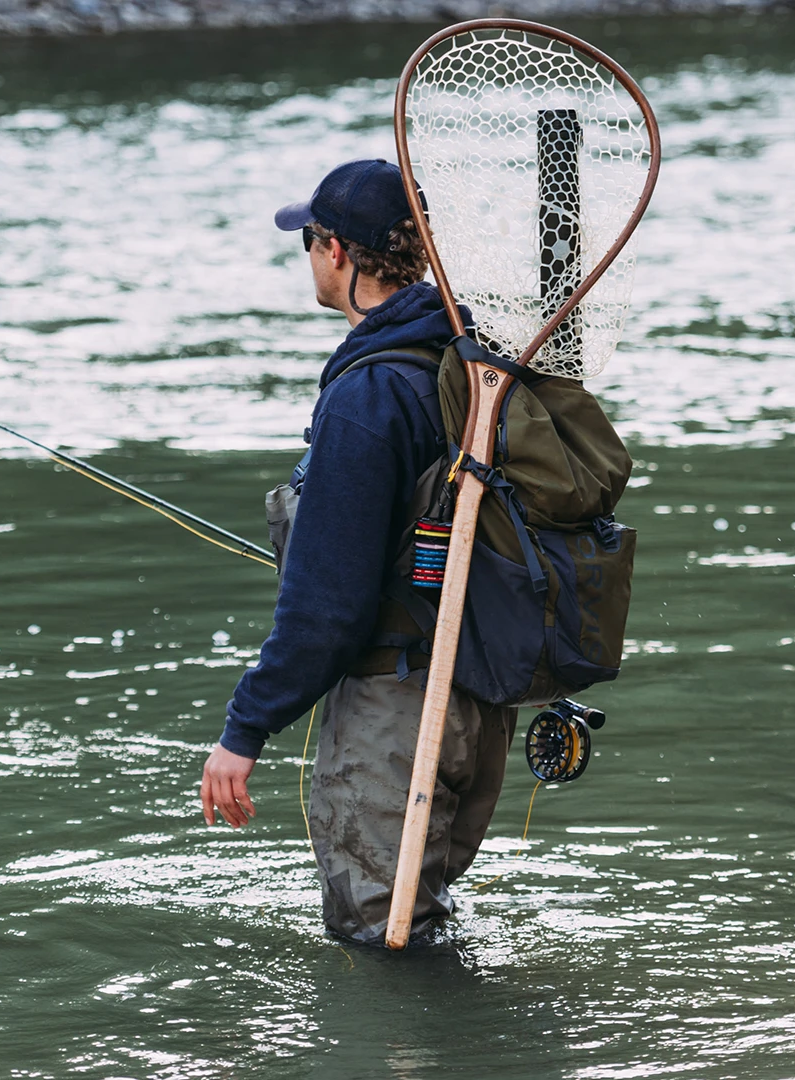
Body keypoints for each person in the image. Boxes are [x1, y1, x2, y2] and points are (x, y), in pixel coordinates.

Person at [197, 159, 517, 944]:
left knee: (384, 947)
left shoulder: (367, 395)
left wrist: (244, 731)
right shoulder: (476, 364)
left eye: (308, 240)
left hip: (395, 717)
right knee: (423, 930)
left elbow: (327, 611)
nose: (308, 256)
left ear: (337, 251)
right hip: (475, 708)